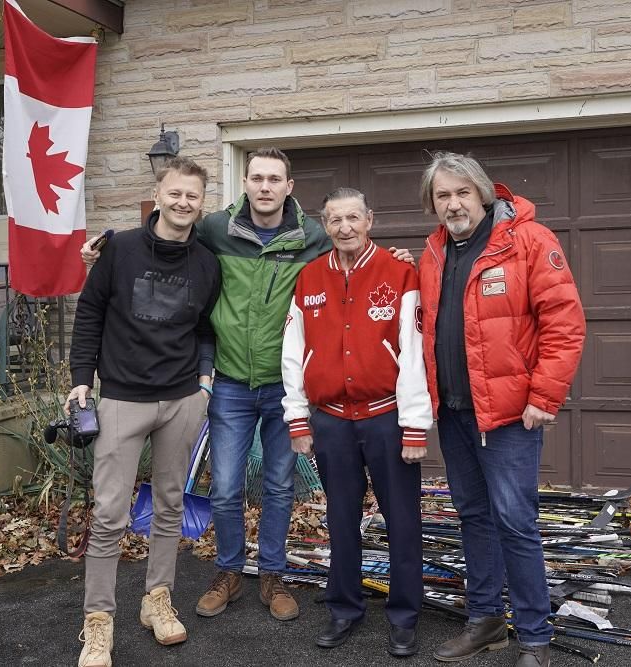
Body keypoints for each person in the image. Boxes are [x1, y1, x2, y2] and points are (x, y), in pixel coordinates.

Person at [81, 148, 413, 624]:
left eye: (274, 179)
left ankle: (272, 574)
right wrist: (107, 246)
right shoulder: (215, 229)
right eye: (257, 178)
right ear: (245, 183)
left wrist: (396, 257)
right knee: (225, 487)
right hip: (231, 381)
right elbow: (165, 234)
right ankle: (229, 571)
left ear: (289, 187)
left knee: (278, 485)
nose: (265, 187)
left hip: (284, 384)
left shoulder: (313, 236)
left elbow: (355, 249)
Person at [417, 153, 586, 667]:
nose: (453, 204)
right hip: (454, 412)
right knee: (473, 516)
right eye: (443, 195)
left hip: (510, 417)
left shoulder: (528, 241)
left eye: (462, 192)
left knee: (515, 522)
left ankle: (534, 637)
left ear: (484, 194)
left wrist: (544, 398)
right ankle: (487, 621)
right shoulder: (433, 252)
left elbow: (564, 324)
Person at [67, 156, 221, 667]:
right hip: (121, 399)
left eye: (192, 196)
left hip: (182, 399)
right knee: (110, 514)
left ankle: (157, 600)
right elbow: (90, 312)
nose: (183, 202)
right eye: (174, 193)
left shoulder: (207, 262)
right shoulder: (120, 250)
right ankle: (98, 622)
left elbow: (205, 327)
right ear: (158, 195)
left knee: (170, 505)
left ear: (202, 202)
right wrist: (81, 380)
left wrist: (203, 383)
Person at [281, 188, 432, 657]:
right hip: (331, 423)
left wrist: (415, 425)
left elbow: (414, 353)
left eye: (353, 218)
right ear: (324, 226)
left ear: (370, 220)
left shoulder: (400, 273)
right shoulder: (309, 278)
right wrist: (297, 418)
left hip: (386, 418)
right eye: (335, 220)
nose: (344, 227)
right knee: (340, 519)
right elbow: (293, 352)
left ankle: (404, 616)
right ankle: (344, 609)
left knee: (402, 520)